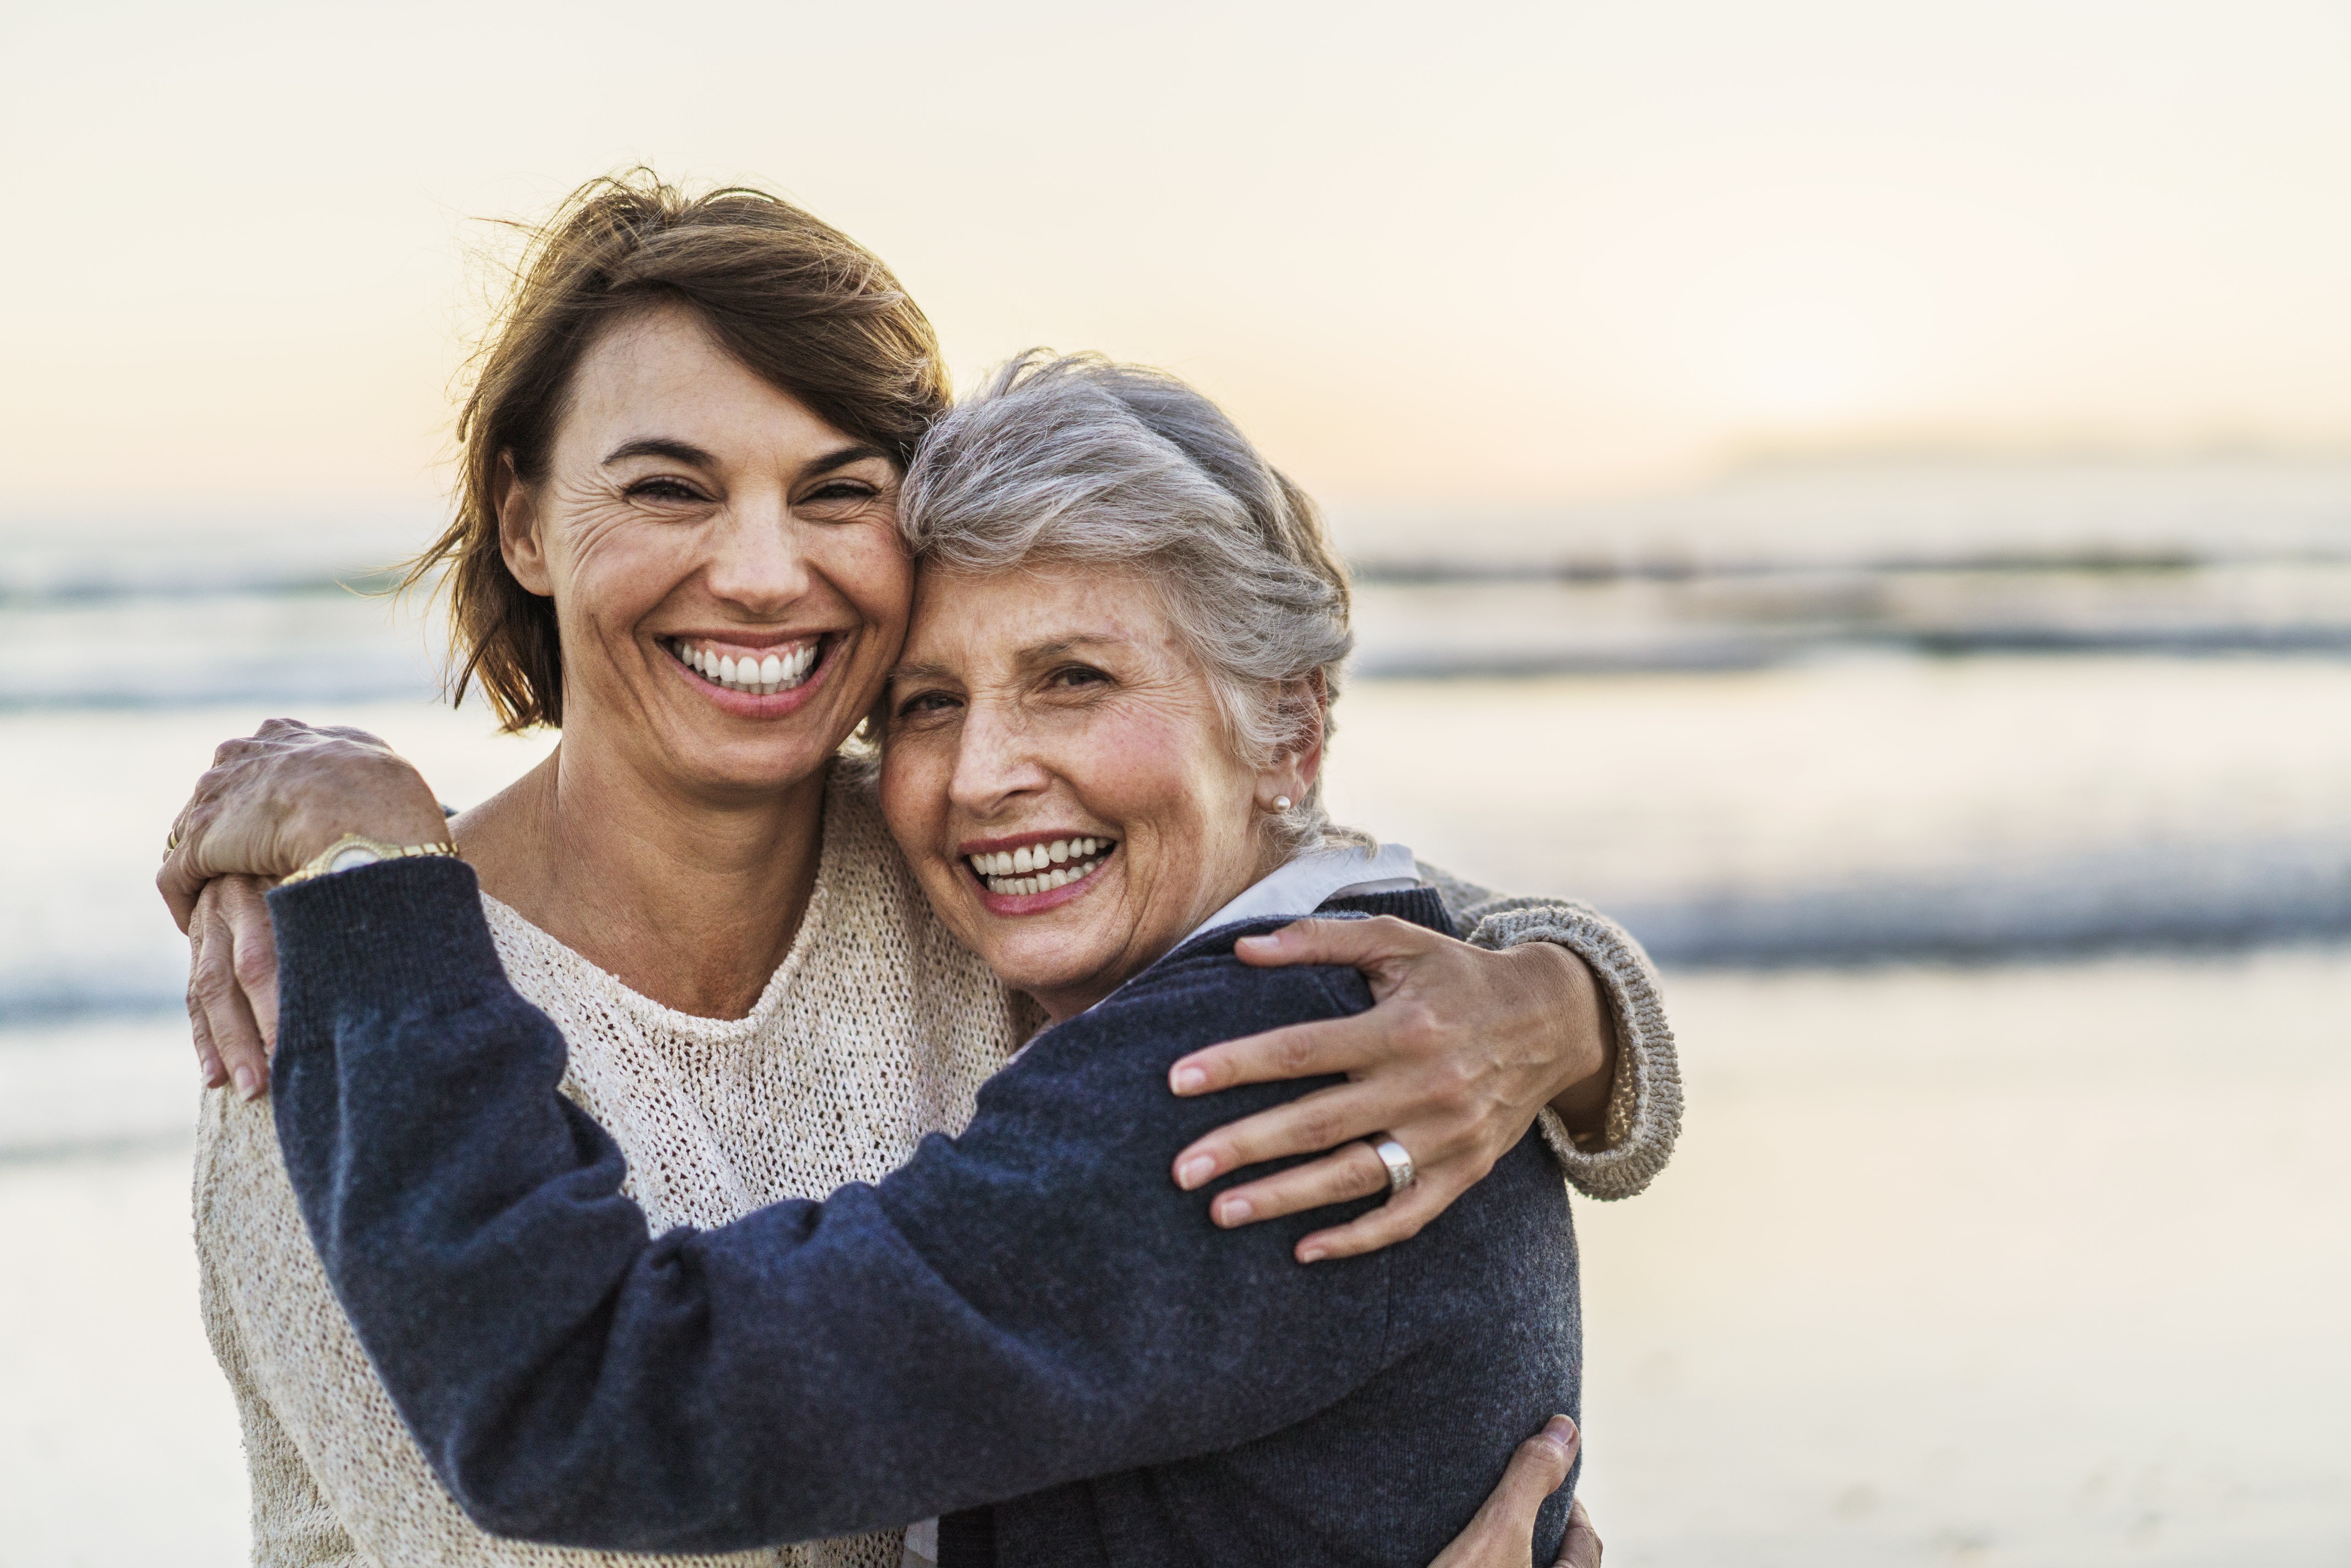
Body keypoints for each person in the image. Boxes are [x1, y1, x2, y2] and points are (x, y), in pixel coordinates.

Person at [160, 175, 1677, 1568]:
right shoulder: (339, 1023)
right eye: (672, 488)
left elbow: (1413, 942)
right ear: (525, 522)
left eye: (832, 492)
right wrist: (372, 875)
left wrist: (1563, 1003)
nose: (761, 572)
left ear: (1296, 723)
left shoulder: (1162, 977)